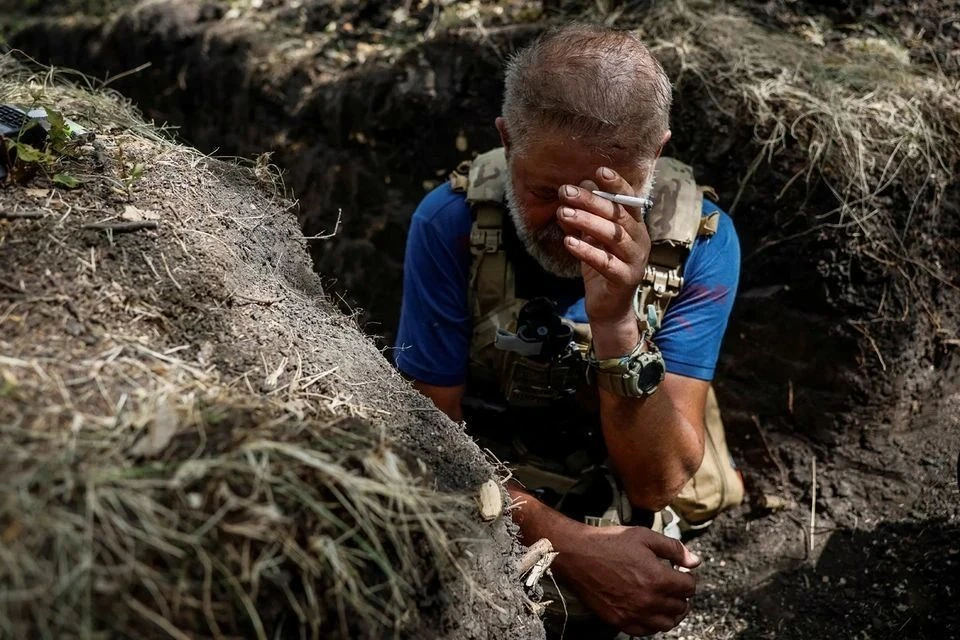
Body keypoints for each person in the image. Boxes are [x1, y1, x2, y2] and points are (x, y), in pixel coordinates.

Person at [394, 24, 742, 638]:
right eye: (547, 191)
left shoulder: (702, 241)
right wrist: (572, 545)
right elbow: (428, 445)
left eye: (611, 196)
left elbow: (656, 481)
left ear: (654, 155)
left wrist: (615, 321)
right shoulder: (450, 223)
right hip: (495, 462)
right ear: (506, 142)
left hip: (623, 464)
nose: (573, 221)